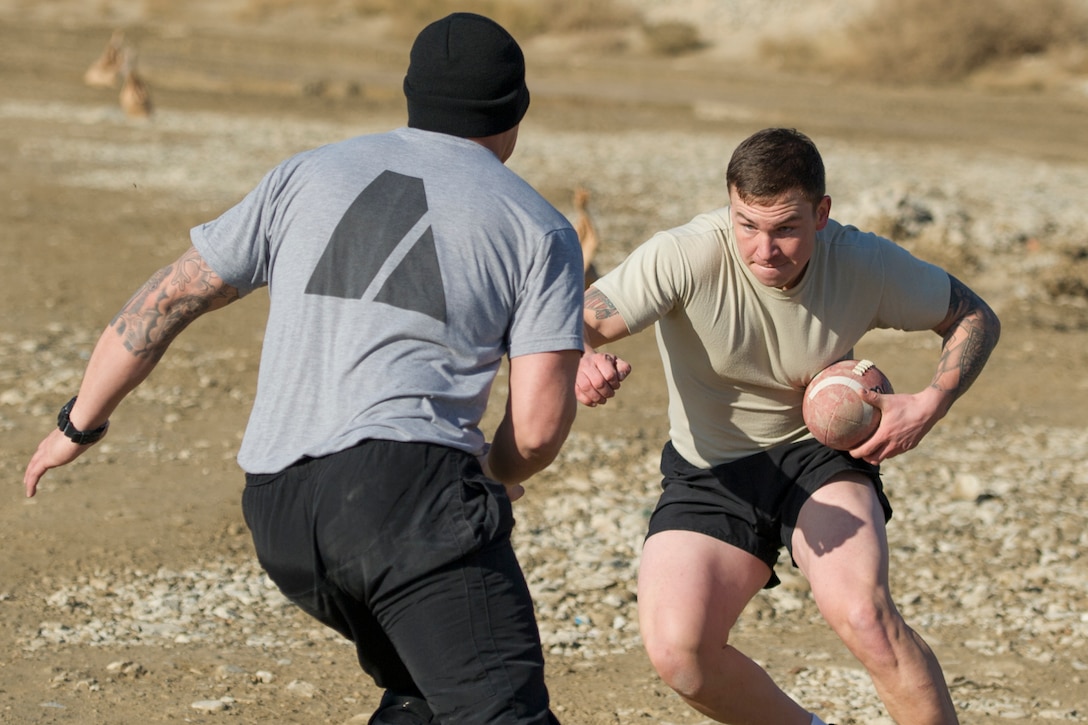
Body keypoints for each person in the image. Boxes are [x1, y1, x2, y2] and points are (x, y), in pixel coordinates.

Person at [24, 13, 584, 725]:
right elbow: (535, 431)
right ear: (515, 112)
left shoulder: (306, 173)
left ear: (410, 94)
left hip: (280, 511)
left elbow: (168, 298)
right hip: (406, 502)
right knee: (502, 711)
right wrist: (489, 480)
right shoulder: (536, 226)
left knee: (425, 696)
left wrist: (79, 421)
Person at [576, 127, 1000, 725]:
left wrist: (932, 401)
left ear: (822, 213)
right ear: (730, 205)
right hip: (710, 470)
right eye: (747, 224)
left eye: (786, 229)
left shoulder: (862, 261)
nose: (763, 250)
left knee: (863, 618)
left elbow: (974, 316)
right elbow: (574, 322)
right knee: (681, 654)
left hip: (817, 457)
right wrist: (580, 361)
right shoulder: (684, 254)